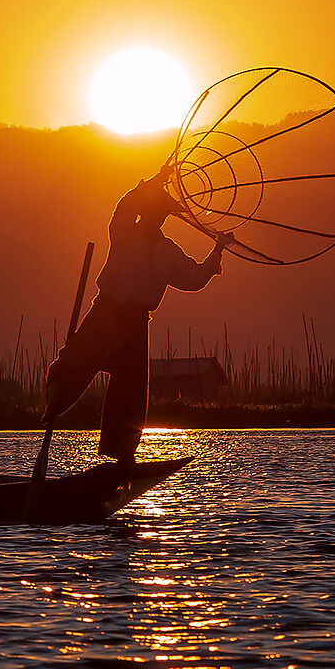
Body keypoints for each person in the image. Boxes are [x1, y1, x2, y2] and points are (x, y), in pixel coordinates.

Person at [45, 174, 227, 467]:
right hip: (105, 313)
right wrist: (151, 183)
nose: (158, 218)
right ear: (145, 212)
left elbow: (193, 279)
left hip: (135, 324)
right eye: (155, 211)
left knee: (130, 390)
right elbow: (124, 206)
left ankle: (121, 454)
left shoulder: (167, 251)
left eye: (162, 214)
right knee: (74, 364)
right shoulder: (124, 232)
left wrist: (217, 249)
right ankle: (51, 409)